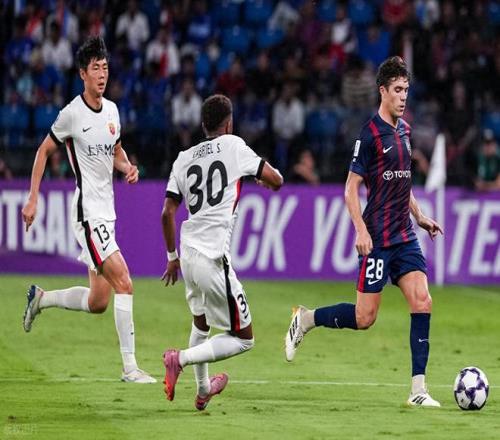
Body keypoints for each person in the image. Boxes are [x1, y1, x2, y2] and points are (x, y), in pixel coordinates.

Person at [285, 56, 443, 407]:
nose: (403, 96)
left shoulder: (405, 131)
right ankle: (306, 319)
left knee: (423, 301)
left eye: (406, 90)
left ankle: (418, 390)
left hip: (405, 236)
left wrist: (420, 216)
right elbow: (350, 189)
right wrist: (360, 230)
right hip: (378, 239)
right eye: (398, 90)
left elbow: (403, 183)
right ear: (382, 91)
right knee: (364, 317)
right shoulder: (369, 136)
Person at [21, 36, 156, 384]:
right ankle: (130, 368)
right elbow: (43, 151)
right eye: (95, 68)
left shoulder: (112, 111)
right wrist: (33, 198)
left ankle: (41, 299)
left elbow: (116, 151)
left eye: (105, 67)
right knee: (125, 282)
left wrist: (127, 167)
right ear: (83, 73)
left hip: (107, 212)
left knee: (99, 302)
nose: (102, 74)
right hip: (87, 213)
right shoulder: (71, 114)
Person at [161, 94, 283, 410]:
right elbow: (277, 179)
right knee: (244, 337)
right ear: (228, 124)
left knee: (201, 325)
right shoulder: (233, 146)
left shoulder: (183, 158)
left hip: (187, 256)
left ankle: (203, 391)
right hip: (213, 258)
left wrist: (172, 258)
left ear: (203, 125)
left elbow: (167, 213)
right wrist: (263, 179)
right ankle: (179, 359)